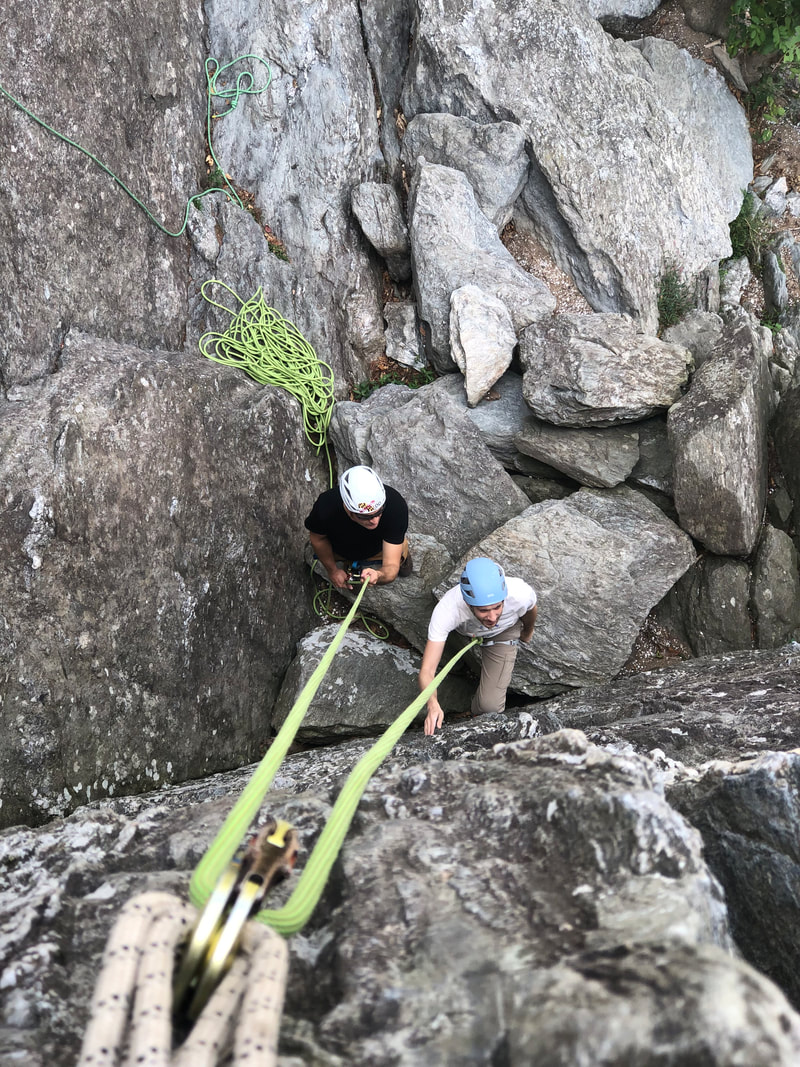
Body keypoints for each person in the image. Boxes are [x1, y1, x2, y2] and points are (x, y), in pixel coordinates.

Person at [419, 557, 537, 735]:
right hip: (464, 631)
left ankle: (474, 711)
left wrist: (527, 632)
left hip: (502, 633)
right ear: (468, 603)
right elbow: (427, 670)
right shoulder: (449, 609)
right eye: (483, 610)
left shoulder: (520, 593)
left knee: (488, 708)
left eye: (497, 607)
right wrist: (432, 704)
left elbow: (531, 609)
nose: (491, 616)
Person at [305, 465, 411, 588]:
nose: (375, 521)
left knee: (397, 554)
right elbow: (318, 539)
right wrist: (333, 571)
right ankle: (351, 569)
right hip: (342, 548)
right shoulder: (326, 508)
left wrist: (380, 574)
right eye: (365, 516)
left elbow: (390, 566)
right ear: (349, 510)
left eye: (378, 512)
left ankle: (401, 558)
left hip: (380, 546)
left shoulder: (395, 506)